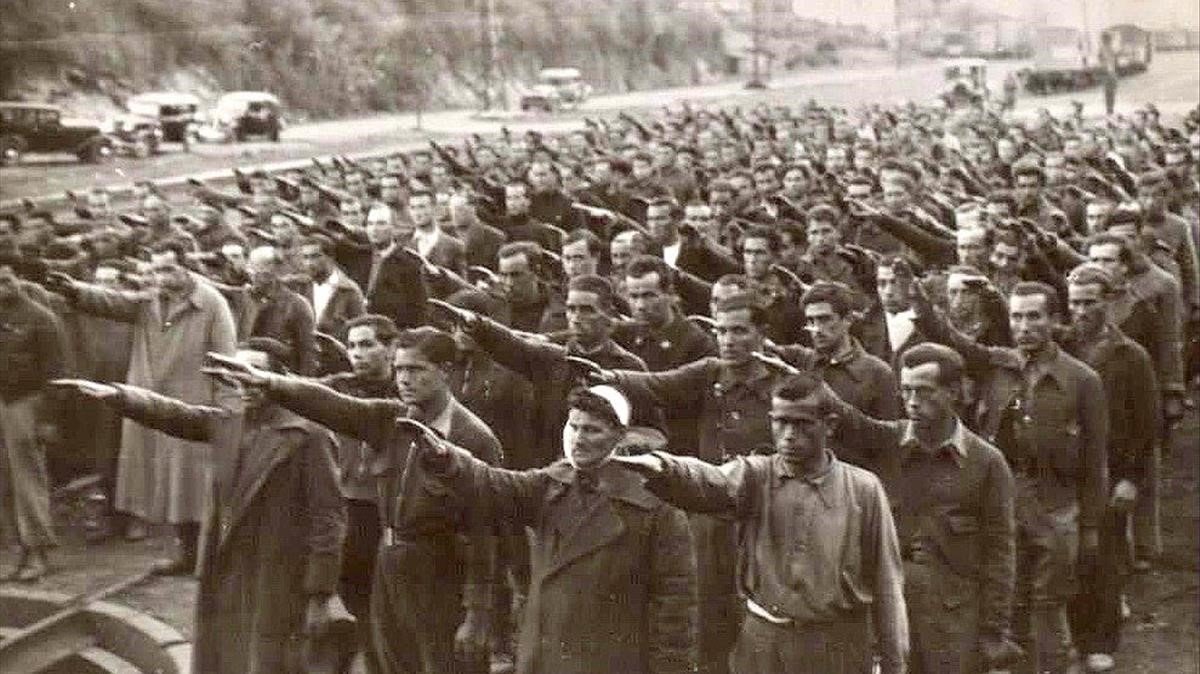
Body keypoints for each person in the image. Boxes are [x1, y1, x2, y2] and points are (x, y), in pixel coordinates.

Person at [203, 328, 501, 674]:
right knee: (384, 663)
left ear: (446, 371)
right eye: (399, 368)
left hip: (441, 574)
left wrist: (478, 612)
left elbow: (486, 534)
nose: (403, 379)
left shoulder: (475, 440)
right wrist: (269, 383)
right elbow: (331, 405)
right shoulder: (391, 419)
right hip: (389, 567)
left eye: (416, 370)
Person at [53, 342, 347, 674]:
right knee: (226, 654)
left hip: (276, 575)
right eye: (232, 374)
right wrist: (119, 397)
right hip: (226, 567)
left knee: (269, 660)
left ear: (277, 377)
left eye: (251, 373)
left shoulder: (309, 434)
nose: (240, 383)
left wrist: (320, 593)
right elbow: (175, 414)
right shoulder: (230, 422)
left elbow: (329, 519)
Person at [614, 373, 908, 674]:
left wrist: (893, 662)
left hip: (836, 646)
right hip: (763, 643)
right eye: (780, 422)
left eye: (802, 423)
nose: (789, 435)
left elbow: (887, 581)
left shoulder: (863, 489)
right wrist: (664, 468)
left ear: (830, 425)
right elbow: (712, 479)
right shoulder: (756, 475)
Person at [414, 385, 699, 674]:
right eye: (573, 427)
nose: (577, 439)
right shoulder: (553, 482)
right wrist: (447, 460)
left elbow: (675, 605)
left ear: (620, 437)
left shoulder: (657, 504)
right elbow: (494, 485)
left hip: (610, 659)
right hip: (545, 654)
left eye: (591, 430)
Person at [45, 241, 238, 574]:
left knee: (194, 485)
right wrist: (74, 289)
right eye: (157, 270)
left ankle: (208, 556)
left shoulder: (211, 303)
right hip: (151, 403)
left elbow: (226, 359)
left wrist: (227, 406)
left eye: (169, 269)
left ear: (185, 266)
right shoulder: (149, 299)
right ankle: (187, 555)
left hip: (191, 404)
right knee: (169, 484)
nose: (161, 278)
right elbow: (113, 302)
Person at [0, 259, 69, 581]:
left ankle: (38, 551)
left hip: (26, 404)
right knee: (4, 483)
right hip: (3, 402)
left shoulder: (41, 318)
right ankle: (15, 552)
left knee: (28, 480)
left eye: (7, 280)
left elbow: (56, 374)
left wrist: (48, 419)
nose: (3, 288)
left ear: (18, 279)